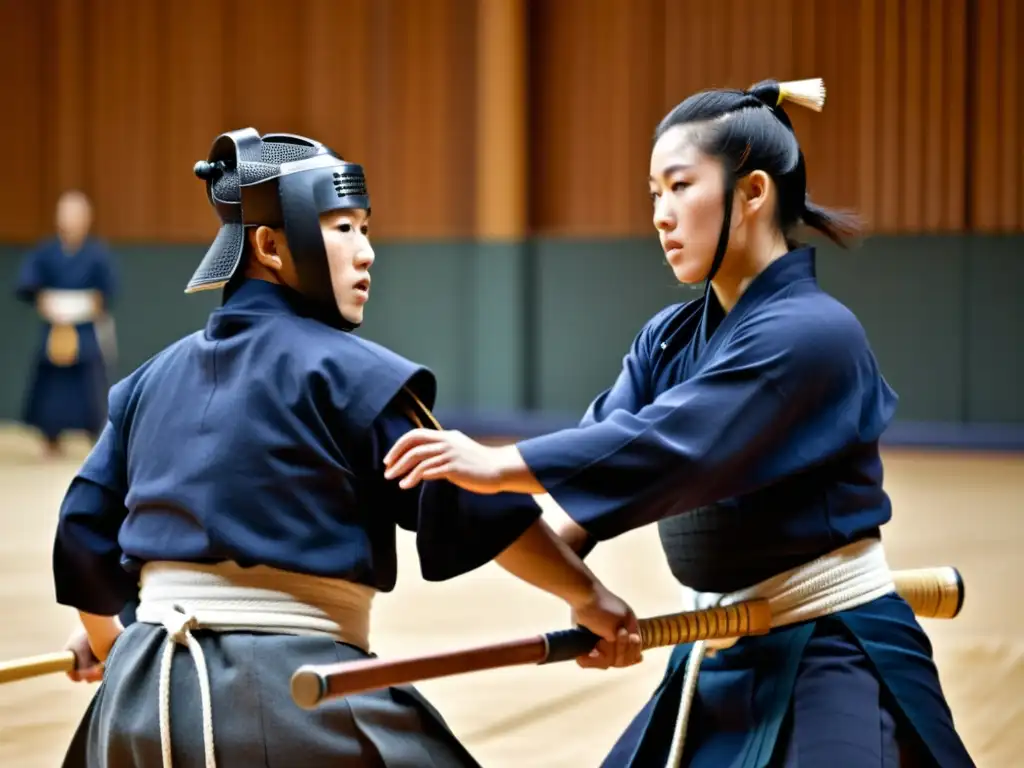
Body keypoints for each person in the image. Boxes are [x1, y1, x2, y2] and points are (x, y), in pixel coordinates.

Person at [383, 78, 976, 767]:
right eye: (653, 194)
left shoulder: (815, 334)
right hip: (723, 648)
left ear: (752, 193)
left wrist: (493, 464)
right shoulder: (668, 339)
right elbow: (596, 478)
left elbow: (666, 449)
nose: (661, 214)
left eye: (679, 186)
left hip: (833, 647)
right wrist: (579, 591)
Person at [53, 128, 642, 768]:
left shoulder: (144, 384)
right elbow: (476, 505)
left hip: (136, 701)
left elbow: (82, 533)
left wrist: (113, 642)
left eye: (365, 229)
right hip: (288, 692)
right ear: (270, 245)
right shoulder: (351, 376)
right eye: (342, 229)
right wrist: (589, 597)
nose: (366, 254)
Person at [15, 190, 117, 457]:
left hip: (84, 327)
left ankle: (94, 436)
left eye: (76, 214)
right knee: (51, 383)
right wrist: (42, 299)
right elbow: (28, 283)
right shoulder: (46, 251)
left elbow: (106, 290)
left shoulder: (96, 253)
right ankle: (49, 437)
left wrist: (92, 304)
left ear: (87, 219)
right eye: (66, 213)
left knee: (89, 384)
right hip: (55, 326)